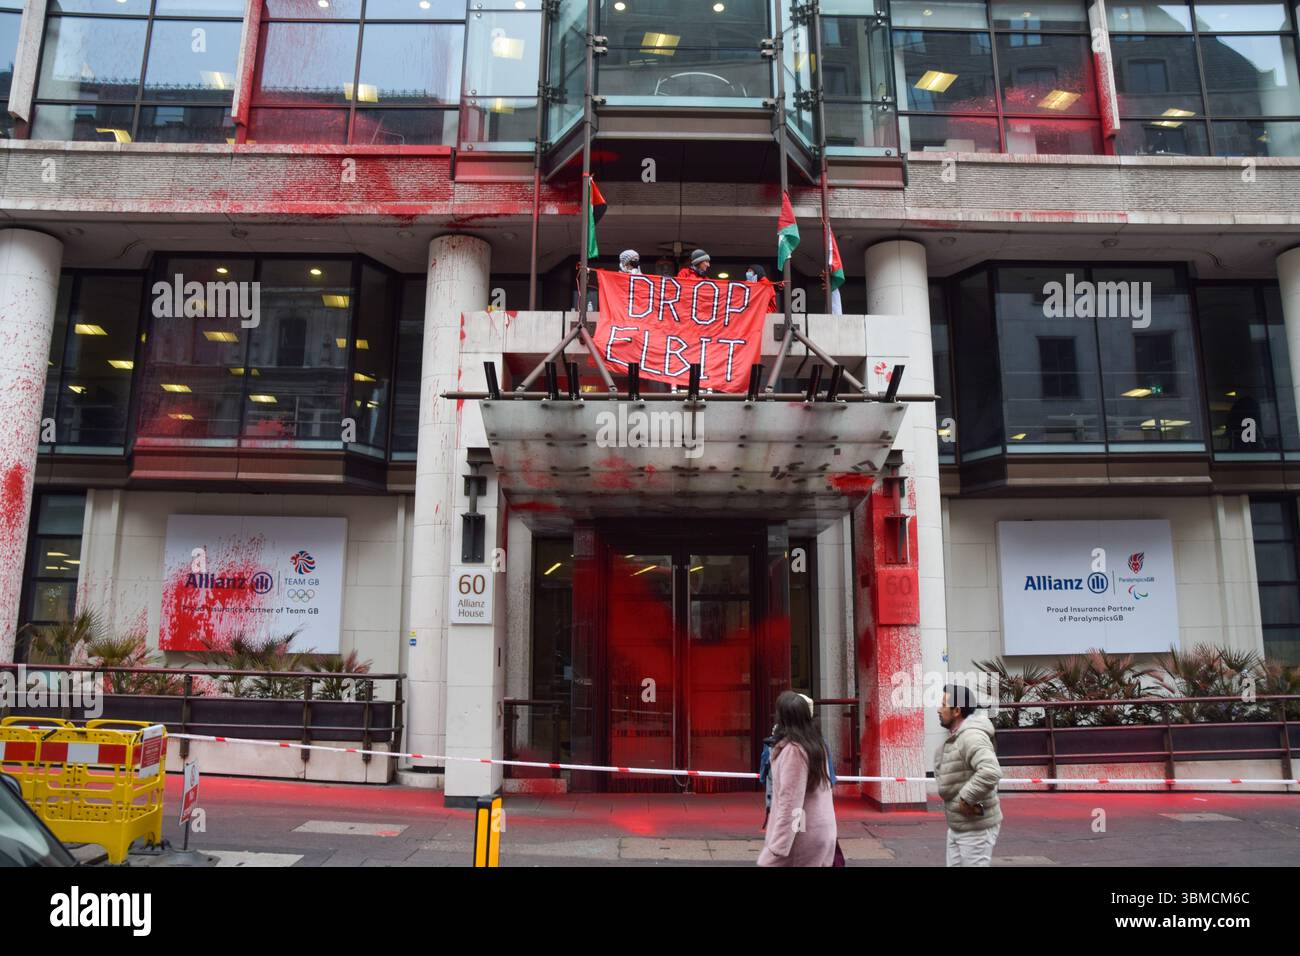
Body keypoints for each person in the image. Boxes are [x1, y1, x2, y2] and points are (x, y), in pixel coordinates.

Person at [757, 691, 838, 867]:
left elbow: (791, 801)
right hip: (819, 828)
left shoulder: (794, 751)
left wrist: (778, 845)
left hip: (800, 833)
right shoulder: (815, 744)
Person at [935, 683, 1003, 867]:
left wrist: (966, 798)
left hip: (976, 828)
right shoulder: (958, 736)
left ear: (956, 710)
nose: (938, 710)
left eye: (943, 705)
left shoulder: (971, 736)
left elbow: (991, 771)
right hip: (960, 824)